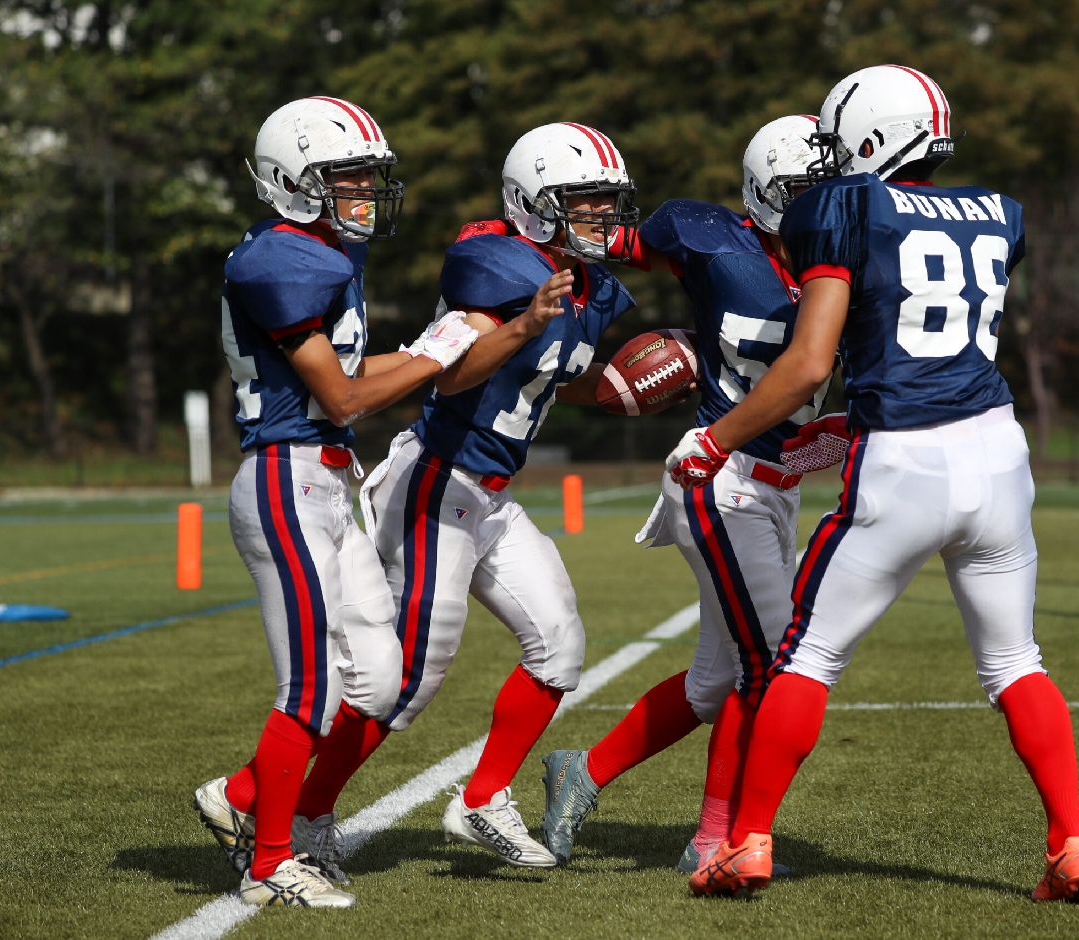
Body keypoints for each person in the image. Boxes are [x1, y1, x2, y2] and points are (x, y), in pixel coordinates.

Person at [669, 65, 1079, 903]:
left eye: (840, 143)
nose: (831, 163)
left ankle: (746, 844)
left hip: (905, 455)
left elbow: (807, 365)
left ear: (872, 138)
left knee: (805, 655)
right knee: (1016, 660)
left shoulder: (845, 207)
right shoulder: (997, 211)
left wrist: (713, 441)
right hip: (999, 452)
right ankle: (1072, 843)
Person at [308, 123, 638, 869]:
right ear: (534, 204)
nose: (601, 217)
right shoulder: (495, 262)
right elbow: (454, 375)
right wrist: (524, 322)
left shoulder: (593, 285)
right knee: (408, 679)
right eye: (583, 202)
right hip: (437, 477)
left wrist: (624, 389)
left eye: (605, 202)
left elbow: (557, 371)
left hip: (491, 494)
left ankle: (483, 799)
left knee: (560, 649)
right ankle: (303, 814)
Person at [192, 97, 481, 908]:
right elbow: (344, 396)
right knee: (311, 690)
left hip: (331, 480)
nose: (363, 191)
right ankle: (268, 863)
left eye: (365, 176)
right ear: (293, 182)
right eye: (345, 176)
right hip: (285, 477)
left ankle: (242, 799)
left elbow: (353, 394)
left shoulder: (325, 255)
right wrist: (433, 352)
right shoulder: (277, 259)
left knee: (379, 682)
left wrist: (438, 352)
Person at [537, 116, 838, 872]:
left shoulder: (848, 260)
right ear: (767, 195)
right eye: (806, 193)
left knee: (716, 677)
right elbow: (598, 239)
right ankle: (717, 835)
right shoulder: (707, 238)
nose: (821, 208)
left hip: (780, 485)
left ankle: (585, 769)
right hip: (719, 475)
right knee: (775, 664)